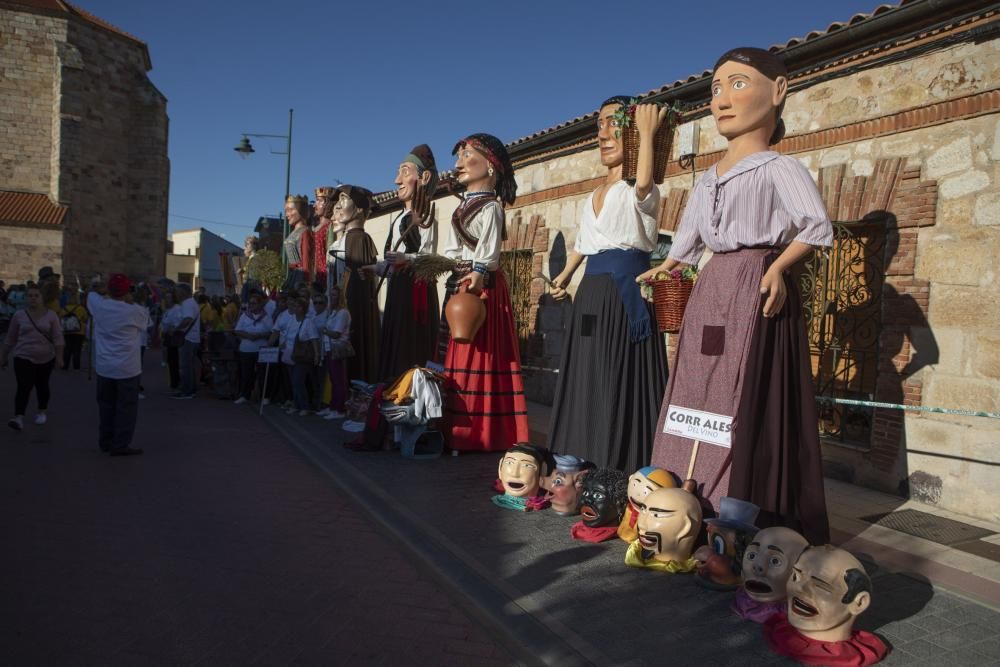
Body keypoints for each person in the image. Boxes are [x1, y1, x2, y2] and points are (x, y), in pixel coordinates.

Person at [639, 47, 832, 544]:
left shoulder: (778, 168)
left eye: (739, 84)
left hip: (753, 280)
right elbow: (687, 238)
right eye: (717, 89)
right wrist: (669, 264)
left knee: (738, 388)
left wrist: (782, 267)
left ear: (779, 91)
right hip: (711, 285)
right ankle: (680, 485)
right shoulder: (708, 178)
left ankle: (732, 495)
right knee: (696, 382)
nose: (722, 100)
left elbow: (815, 226)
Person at [548, 98, 669, 473]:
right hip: (590, 292)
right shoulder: (594, 194)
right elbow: (585, 243)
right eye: (599, 124)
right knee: (584, 369)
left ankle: (613, 458)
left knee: (613, 373)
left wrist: (648, 132)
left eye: (613, 123)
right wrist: (566, 274)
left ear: (631, 133)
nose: (602, 133)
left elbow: (646, 180)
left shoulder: (641, 191)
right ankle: (574, 450)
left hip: (624, 294)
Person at [440, 133, 529, 452]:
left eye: (466, 155)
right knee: (460, 353)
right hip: (461, 283)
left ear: (491, 167)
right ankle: (458, 427)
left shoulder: (491, 207)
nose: (458, 163)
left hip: (482, 287)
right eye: (459, 156)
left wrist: (476, 277)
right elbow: (453, 250)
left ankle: (485, 431)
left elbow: (488, 254)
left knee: (482, 357)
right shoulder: (463, 206)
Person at [376, 144, 441, 382]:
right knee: (394, 341)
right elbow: (391, 259)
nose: (397, 180)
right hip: (398, 289)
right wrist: (374, 268)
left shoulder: (425, 216)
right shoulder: (399, 219)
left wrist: (406, 259)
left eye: (405, 171)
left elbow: (428, 256)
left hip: (415, 292)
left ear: (423, 177)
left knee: (409, 344)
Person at [85, 274, 149, 455]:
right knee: (126, 408)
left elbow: (91, 294)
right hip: (128, 368)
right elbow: (144, 325)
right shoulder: (136, 311)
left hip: (105, 367)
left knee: (106, 406)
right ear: (127, 291)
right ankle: (120, 444)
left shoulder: (99, 305)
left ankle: (105, 441)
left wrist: (100, 288)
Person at [333, 184, 381, 383]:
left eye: (344, 199)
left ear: (359, 209)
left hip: (352, 310)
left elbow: (357, 284)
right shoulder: (347, 239)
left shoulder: (360, 239)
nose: (337, 206)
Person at [1, 284, 64, 430]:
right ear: (25, 298)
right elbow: (10, 338)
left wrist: (59, 357)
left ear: (42, 298)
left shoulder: (51, 315)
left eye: (36, 295)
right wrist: (3, 356)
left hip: (46, 357)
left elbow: (58, 338)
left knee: (42, 385)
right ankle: (18, 417)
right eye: (30, 296)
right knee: (24, 386)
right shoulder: (19, 315)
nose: (33, 299)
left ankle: (42, 410)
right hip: (23, 355)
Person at [268, 296, 320, 416]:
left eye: (295, 306)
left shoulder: (308, 322)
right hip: (289, 354)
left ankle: (305, 406)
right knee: (293, 382)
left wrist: (317, 355)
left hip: (302, 356)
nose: (292, 308)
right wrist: (283, 344)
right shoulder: (291, 319)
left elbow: (314, 340)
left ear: (302, 309)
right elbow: (288, 334)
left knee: (298, 381)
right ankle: (297, 405)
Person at [233, 291, 272, 405]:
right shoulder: (245, 315)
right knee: (246, 373)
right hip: (246, 349)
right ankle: (245, 395)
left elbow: (271, 332)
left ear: (260, 304)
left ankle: (265, 396)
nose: (251, 306)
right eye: (250, 303)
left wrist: (259, 335)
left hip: (261, 349)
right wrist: (248, 336)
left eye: (254, 303)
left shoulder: (267, 316)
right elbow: (237, 330)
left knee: (263, 374)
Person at [319, 284, 351, 420]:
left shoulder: (343, 312)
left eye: (334, 295)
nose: (331, 298)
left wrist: (325, 331)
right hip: (329, 348)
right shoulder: (333, 312)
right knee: (333, 379)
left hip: (337, 348)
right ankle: (332, 406)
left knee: (338, 380)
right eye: (330, 295)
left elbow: (337, 333)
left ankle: (339, 408)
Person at [173, 283, 201, 399]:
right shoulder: (191, 302)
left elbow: (187, 319)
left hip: (188, 338)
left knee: (185, 366)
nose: (176, 294)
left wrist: (176, 328)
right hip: (192, 338)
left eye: (177, 291)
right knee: (190, 366)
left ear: (183, 292)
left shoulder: (187, 303)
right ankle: (191, 390)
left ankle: (187, 391)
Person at [283, 195, 314, 288]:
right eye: (286, 211)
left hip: (300, 276)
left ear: (301, 210)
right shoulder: (293, 233)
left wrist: (306, 280)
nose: (287, 214)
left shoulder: (305, 232)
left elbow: (306, 259)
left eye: (290, 210)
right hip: (293, 275)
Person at [59, 289, 88, 370]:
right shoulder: (81, 308)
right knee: (77, 350)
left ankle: (65, 366)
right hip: (79, 331)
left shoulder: (64, 309)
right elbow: (85, 318)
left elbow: (60, 318)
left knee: (67, 349)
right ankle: (76, 367)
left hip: (66, 331)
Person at [159, 289, 182, 391]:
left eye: (169, 298)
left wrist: (169, 329)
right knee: (170, 360)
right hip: (167, 337)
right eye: (166, 298)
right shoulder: (168, 310)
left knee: (174, 360)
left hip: (174, 337)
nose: (167, 300)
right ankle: (173, 381)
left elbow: (177, 323)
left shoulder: (177, 309)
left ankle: (175, 382)